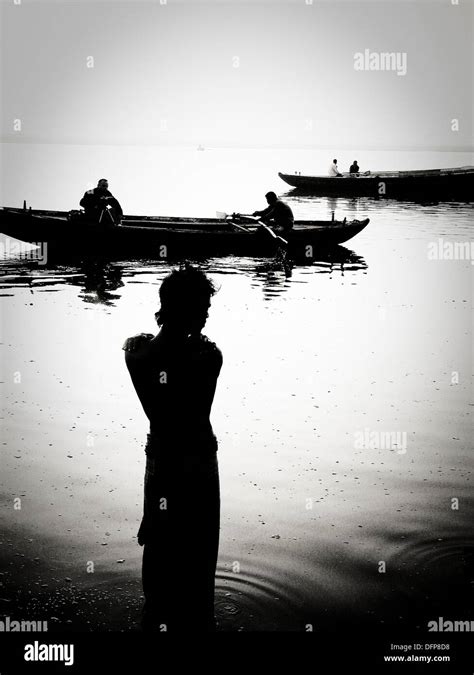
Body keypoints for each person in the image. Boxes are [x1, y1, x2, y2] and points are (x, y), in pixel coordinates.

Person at [122, 264, 222, 632]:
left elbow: (147, 350)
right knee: (199, 552)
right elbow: (194, 374)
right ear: (186, 309)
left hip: (161, 460)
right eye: (203, 306)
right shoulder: (209, 357)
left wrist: (141, 338)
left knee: (160, 548)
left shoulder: (136, 355)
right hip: (196, 462)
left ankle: (155, 621)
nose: (208, 314)